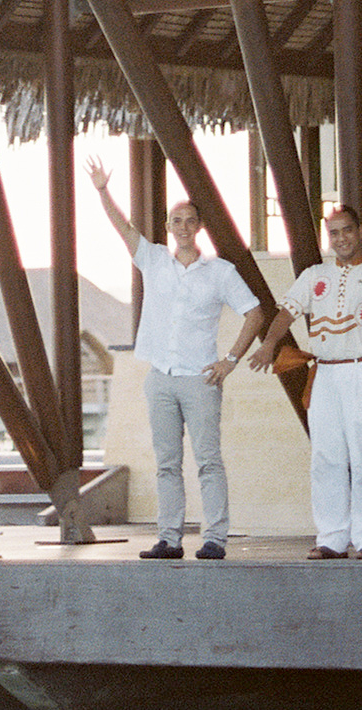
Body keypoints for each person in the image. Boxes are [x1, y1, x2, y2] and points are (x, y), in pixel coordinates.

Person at [88, 155, 269, 561]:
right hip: (161, 377)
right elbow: (123, 228)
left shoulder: (220, 271)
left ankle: (215, 538)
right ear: (168, 228)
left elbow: (255, 313)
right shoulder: (152, 259)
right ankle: (168, 538)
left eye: (190, 221)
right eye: (176, 221)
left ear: (199, 227)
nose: (183, 228)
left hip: (200, 379)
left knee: (208, 460)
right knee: (167, 463)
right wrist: (103, 190)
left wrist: (230, 360)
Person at [249, 205, 362, 560]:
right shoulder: (314, 275)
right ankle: (332, 537)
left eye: (347, 230)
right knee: (326, 457)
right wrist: (270, 344)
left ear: (361, 231)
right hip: (324, 372)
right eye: (334, 233)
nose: (341, 239)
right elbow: (286, 312)